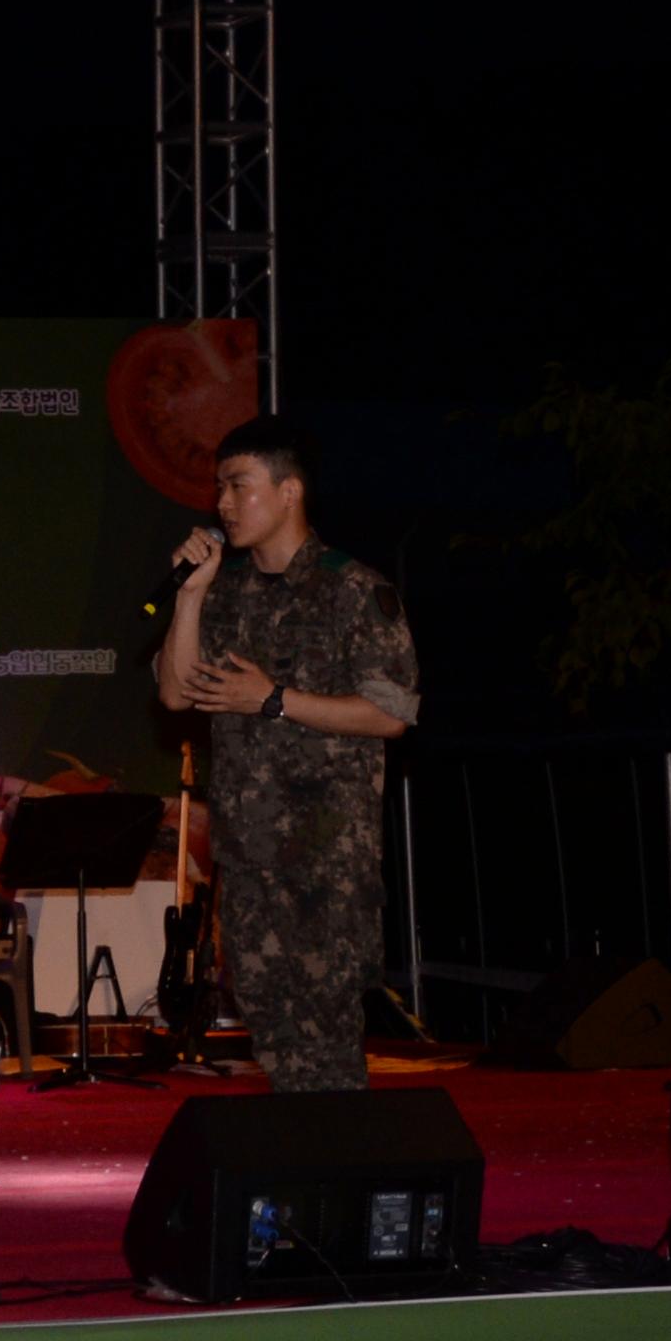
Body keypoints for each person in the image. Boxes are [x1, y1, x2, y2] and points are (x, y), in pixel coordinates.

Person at [153, 417, 419, 1092]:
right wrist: (190, 595)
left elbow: (393, 712)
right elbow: (177, 694)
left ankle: (346, 1180)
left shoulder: (352, 590)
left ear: (290, 490)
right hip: (249, 863)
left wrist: (274, 700)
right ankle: (308, 1180)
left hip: (325, 866)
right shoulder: (227, 591)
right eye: (219, 489)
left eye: (240, 487)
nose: (223, 504)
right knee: (274, 1044)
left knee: (326, 1049)